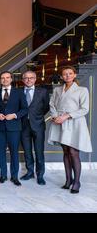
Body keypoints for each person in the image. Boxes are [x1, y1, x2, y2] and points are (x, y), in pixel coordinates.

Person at [48, 66, 92, 194]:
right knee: (66, 151)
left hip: (74, 122)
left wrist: (66, 116)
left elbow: (85, 109)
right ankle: (68, 180)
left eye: (70, 73)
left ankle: (77, 182)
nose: (67, 76)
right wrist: (56, 116)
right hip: (59, 122)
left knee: (73, 152)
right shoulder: (57, 90)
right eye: (65, 74)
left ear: (74, 75)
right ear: (61, 76)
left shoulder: (82, 90)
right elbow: (52, 104)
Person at [0, 71, 28, 186]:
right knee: (1, 152)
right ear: (0, 80)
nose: (5, 80)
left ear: (11, 79)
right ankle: (3, 175)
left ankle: (14, 176)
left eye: (7, 78)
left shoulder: (19, 92)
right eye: (2, 78)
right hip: (0, 127)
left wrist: (14, 115)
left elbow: (24, 109)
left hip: (14, 127)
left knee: (14, 152)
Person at [20, 70, 49, 185]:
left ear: (35, 79)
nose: (28, 80)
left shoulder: (43, 91)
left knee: (39, 151)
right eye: (26, 78)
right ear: (23, 80)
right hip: (23, 126)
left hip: (38, 125)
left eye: (31, 78)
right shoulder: (18, 92)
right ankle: (30, 172)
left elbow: (46, 107)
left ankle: (40, 175)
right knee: (27, 151)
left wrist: (36, 117)